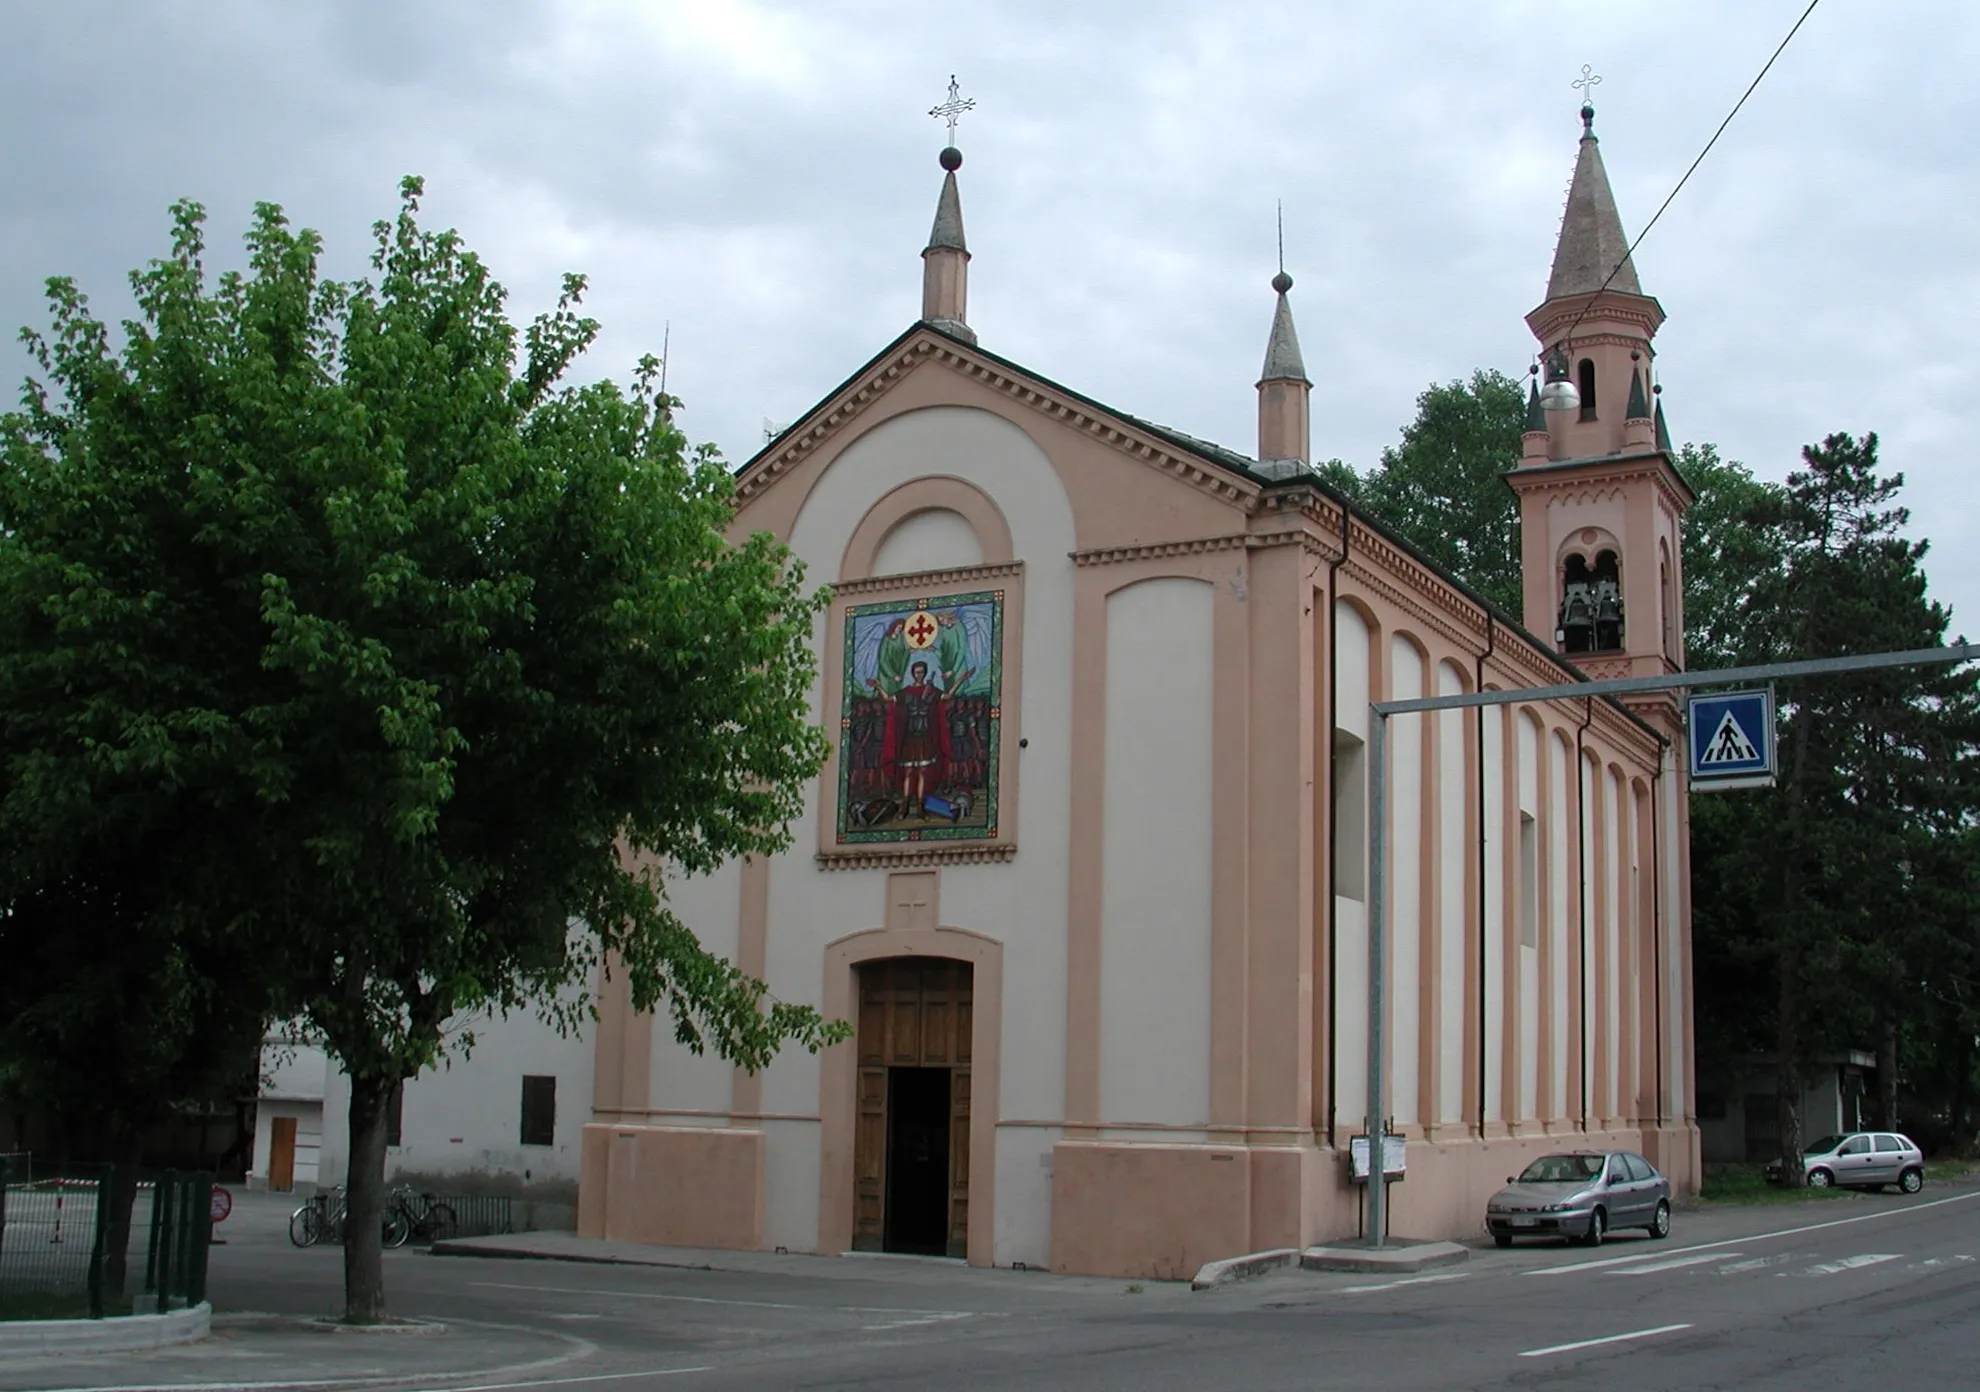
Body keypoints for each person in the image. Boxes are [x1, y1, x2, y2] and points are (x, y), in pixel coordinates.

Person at [882, 661, 951, 816]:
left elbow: (947, 696)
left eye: (921, 672)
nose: (919, 675)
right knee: (907, 772)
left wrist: (960, 679)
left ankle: (920, 806)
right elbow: (888, 699)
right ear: (912, 673)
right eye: (916, 672)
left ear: (924, 673)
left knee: (922, 773)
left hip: (924, 738)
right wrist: (878, 685)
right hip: (909, 738)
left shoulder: (932, 691)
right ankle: (904, 805)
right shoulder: (905, 692)